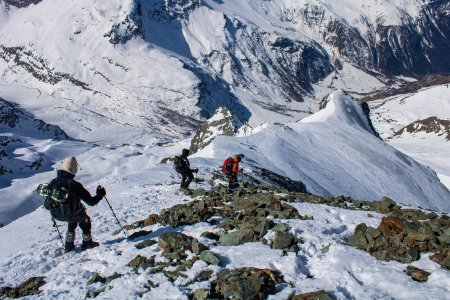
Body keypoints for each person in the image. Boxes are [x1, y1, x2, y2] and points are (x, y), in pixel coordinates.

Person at [46, 156, 106, 252]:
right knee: (84, 219)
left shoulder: (53, 182)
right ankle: (87, 242)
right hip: (71, 214)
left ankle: (68, 245)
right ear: (74, 169)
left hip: (56, 214)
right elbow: (91, 202)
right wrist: (100, 194)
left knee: (73, 216)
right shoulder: (74, 185)